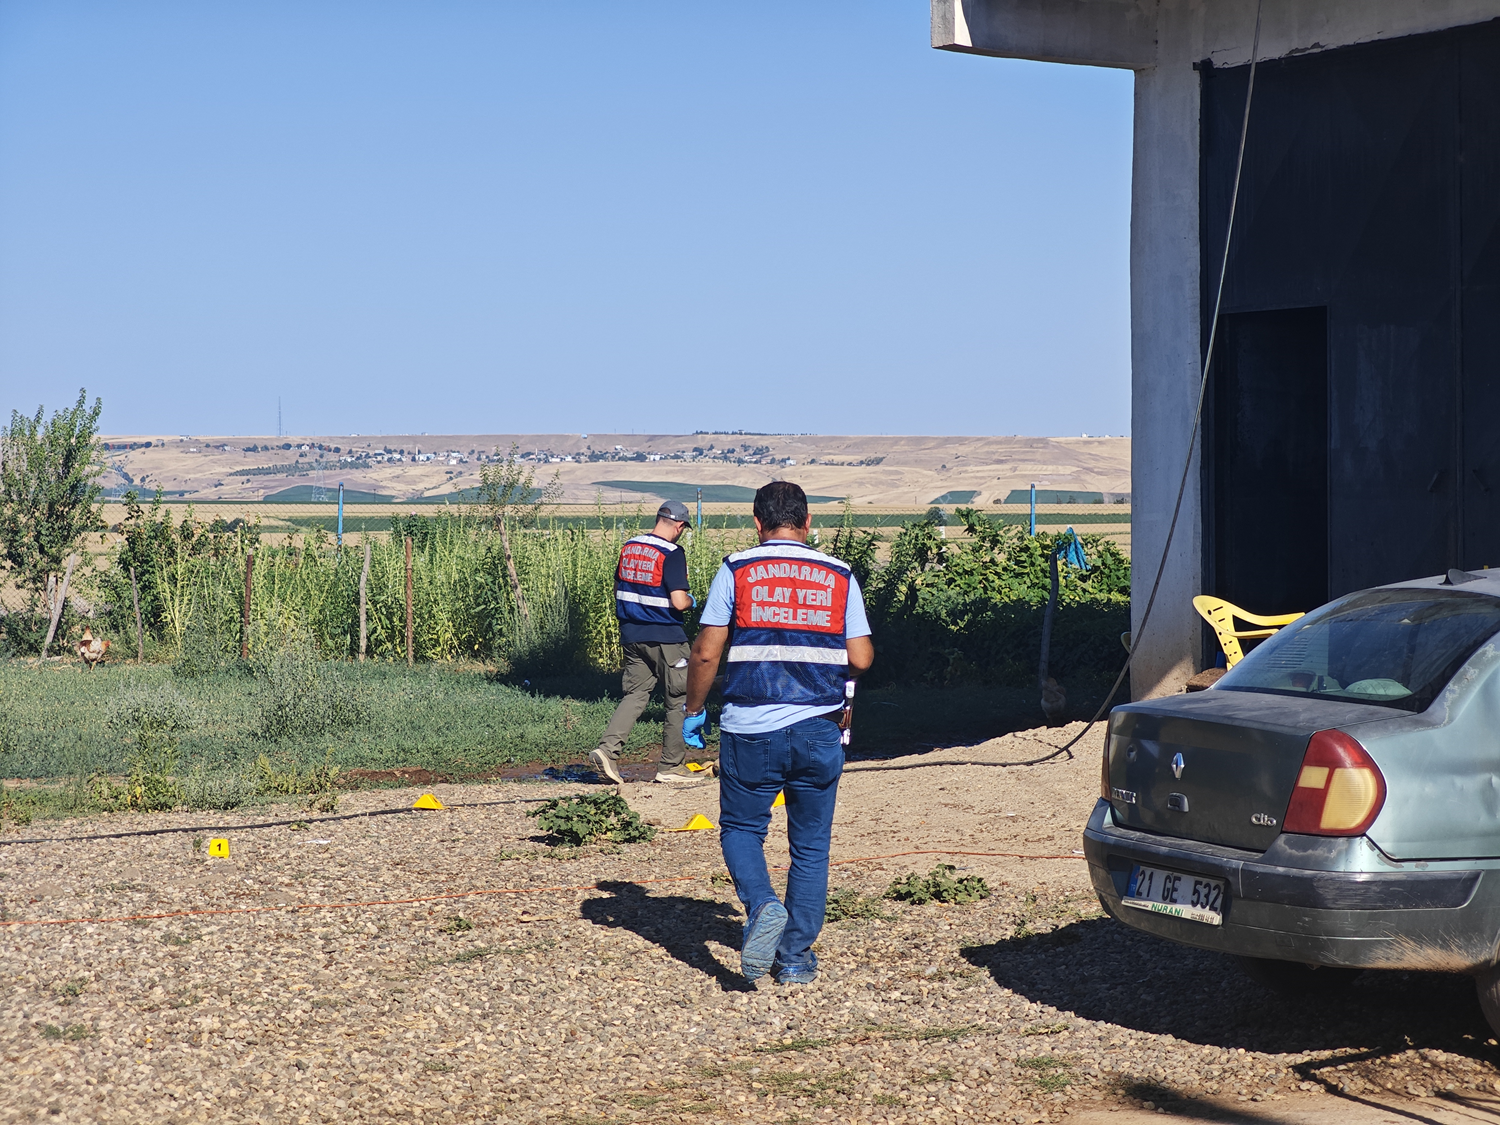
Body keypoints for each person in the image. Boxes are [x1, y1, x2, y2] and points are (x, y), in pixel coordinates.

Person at [682, 481, 874, 984]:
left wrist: (695, 710)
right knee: (810, 847)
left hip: (750, 730)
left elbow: (706, 652)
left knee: (743, 829)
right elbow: (861, 657)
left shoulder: (737, 569)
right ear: (808, 522)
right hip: (819, 729)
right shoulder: (839, 573)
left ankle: (763, 903)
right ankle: (794, 959)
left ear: (756, 521)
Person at [590, 500, 702, 785]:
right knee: (678, 697)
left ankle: (607, 751)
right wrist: (693, 601)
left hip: (631, 634)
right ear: (679, 526)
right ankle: (670, 766)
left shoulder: (630, 547)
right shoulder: (672, 552)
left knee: (635, 694)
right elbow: (678, 601)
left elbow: (618, 588)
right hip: (667, 637)